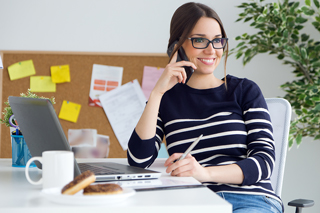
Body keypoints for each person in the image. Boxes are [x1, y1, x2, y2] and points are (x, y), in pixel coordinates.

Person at [127, 2, 283, 213]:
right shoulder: (166, 99)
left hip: (249, 200)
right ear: (177, 47)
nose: (211, 50)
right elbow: (138, 160)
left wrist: (205, 173)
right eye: (200, 40)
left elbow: (264, 162)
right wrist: (157, 93)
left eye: (217, 40)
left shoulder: (245, 90)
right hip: (193, 202)